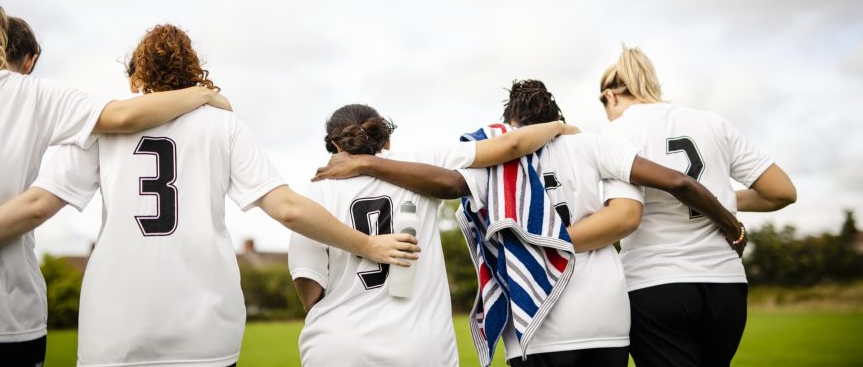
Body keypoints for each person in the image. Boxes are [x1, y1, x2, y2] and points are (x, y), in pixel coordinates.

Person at [0, 24, 419, 367]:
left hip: (115, 328)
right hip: (206, 328)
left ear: (136, 78)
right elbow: (288, 208)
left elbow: (39, 204)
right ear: (192, 71)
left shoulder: (102, 127)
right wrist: (369, 244)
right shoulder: (222, 123)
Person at [314, 80, 747, 367]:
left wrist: (531, 243)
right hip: (607, 317)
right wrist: (733, 225)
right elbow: (655, 196)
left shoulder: (488, 162)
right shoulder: (593, 146)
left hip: (532, 323)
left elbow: (480, 182)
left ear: (509, 121)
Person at [0, 3, 231, 367]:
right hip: (2, 315)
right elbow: (122, 116)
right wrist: (203, 94)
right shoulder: (32, 94)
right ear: (30, 60)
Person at [288, 103, 578, 367]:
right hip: (418, 345)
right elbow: (512, 143)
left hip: (335, 346)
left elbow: (310, 290)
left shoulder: (315, 192)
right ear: (386, 138)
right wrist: (558, 127)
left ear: (335, 144)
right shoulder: (422, 163)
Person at [598, 46, 797, 367]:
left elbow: (624, 216)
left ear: (611, 96)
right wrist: (724, 202)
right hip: (726, 285)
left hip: (655, 284)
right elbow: (782, 192)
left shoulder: (615, 132)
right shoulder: (713, 123)